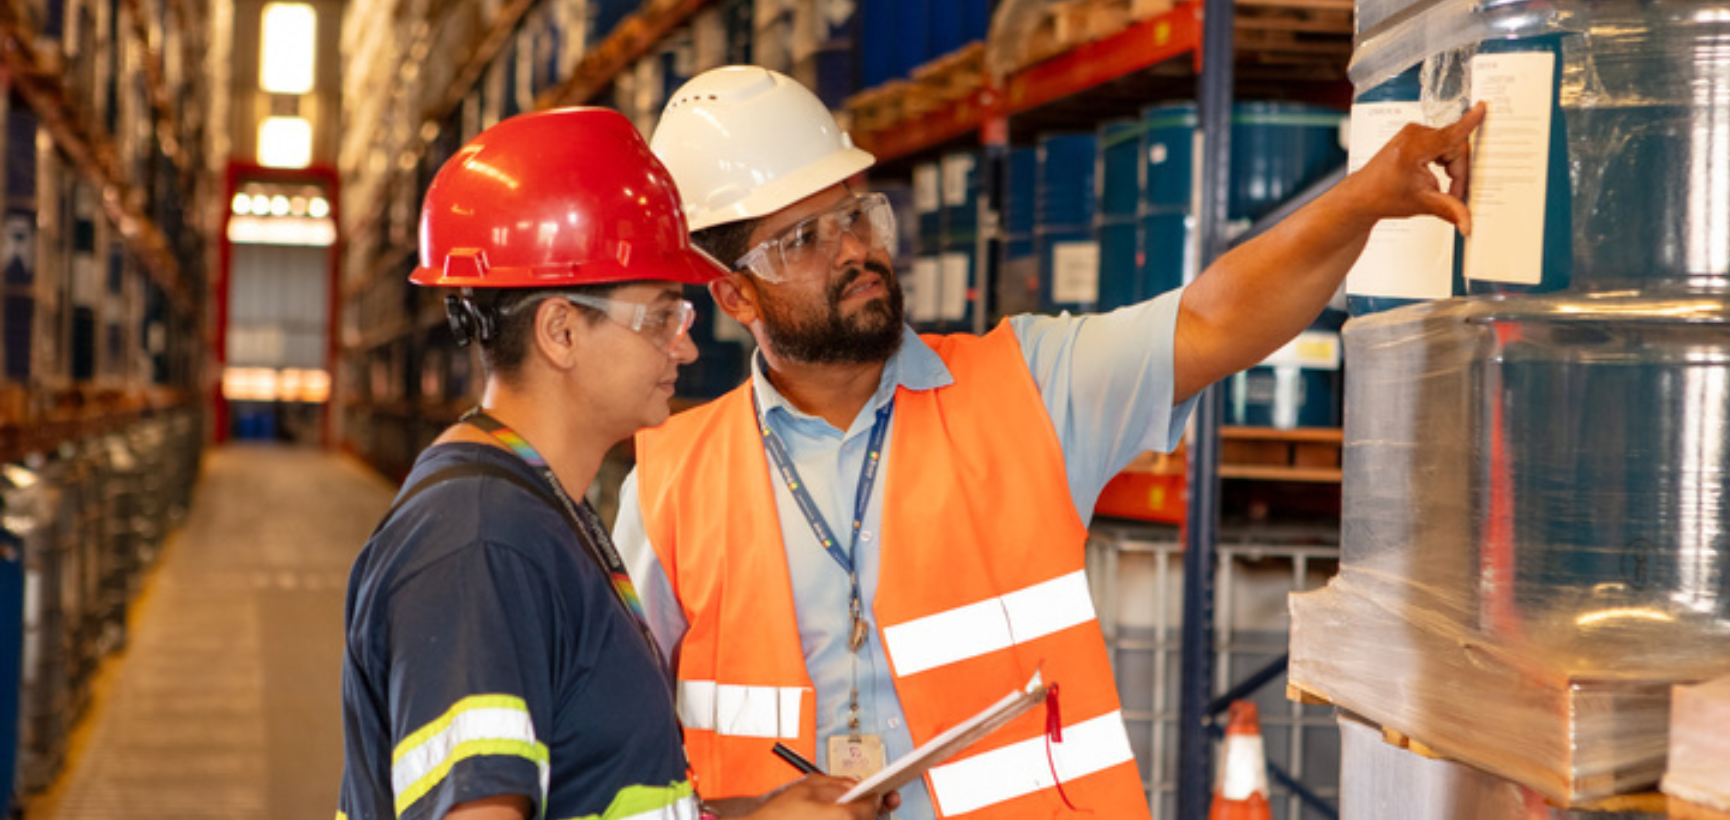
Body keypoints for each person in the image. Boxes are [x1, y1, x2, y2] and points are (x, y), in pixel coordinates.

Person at [614, 67, 1486, 819]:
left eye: (857, 214)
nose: (854, 251)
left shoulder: (1028, 385)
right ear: (735, 298)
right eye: (803, 240)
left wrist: (1365, 199)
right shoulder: (671, 485)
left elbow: (1216, 319)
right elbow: (613, 754)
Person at [336, 107, 893, 820]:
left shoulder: (538, 512)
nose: (686, 348)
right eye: (661, 316)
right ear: (562, 331)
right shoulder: (477, 545)